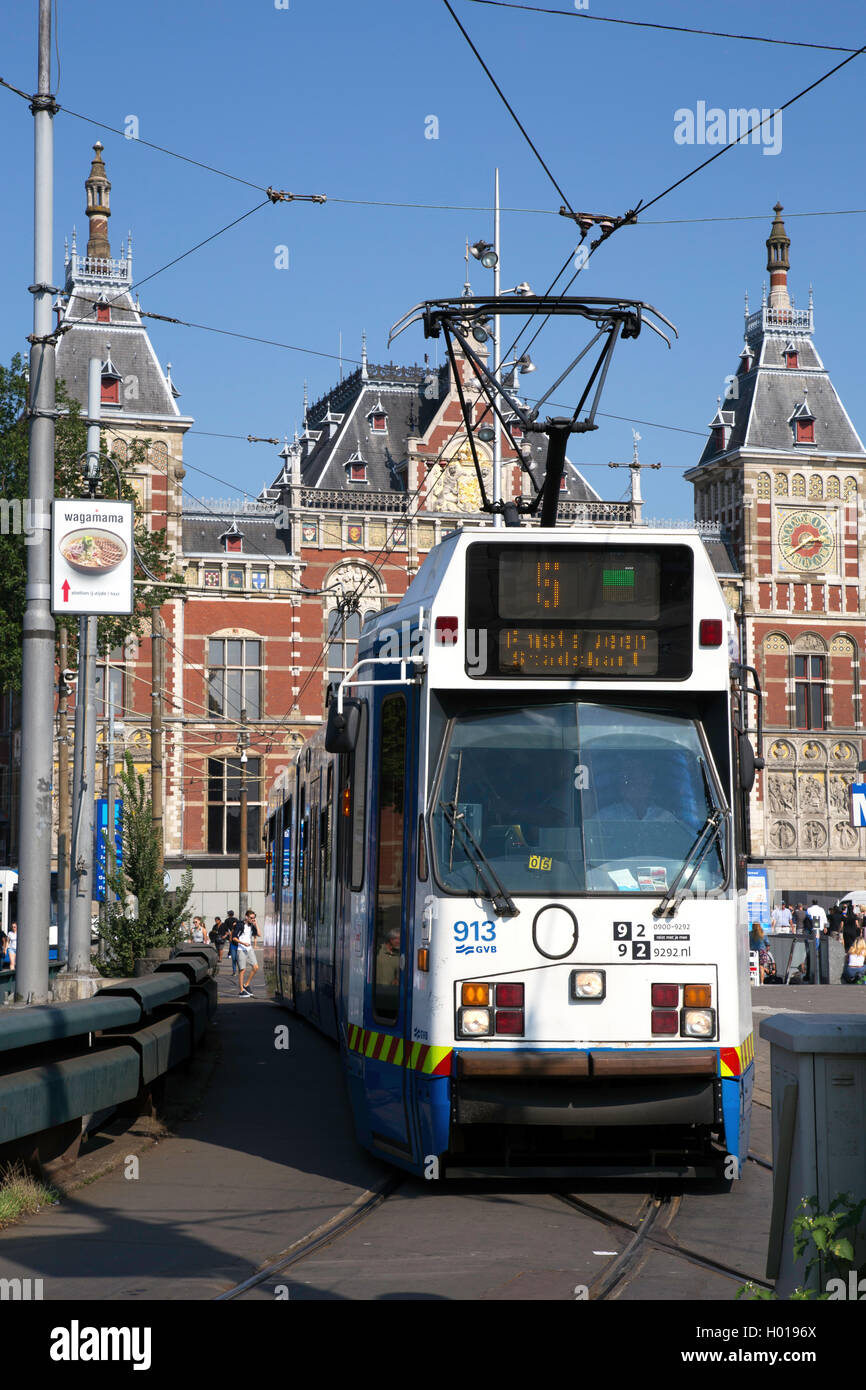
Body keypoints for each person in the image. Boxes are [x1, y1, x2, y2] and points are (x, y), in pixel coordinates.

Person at [235, 912, 259, 998]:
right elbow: (234, 938)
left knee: (256, 967)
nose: (252, 919)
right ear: (246, 917)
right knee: (242, 970)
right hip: (241, 949)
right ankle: (241, 990)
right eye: (251, 917)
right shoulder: (240, 925)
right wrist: (243, 943)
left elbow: (258, 934)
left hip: (249, 949)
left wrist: (256, 924)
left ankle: (246, 984)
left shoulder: (251, 925)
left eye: (254, 918)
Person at [224, 910, 239, 975]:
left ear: (228, 914)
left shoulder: (226, 920)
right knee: (237, 958)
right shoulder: (236, 919)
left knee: (234, 958)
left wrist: (229, 932)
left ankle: (234, 971)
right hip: (236, 938)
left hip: (231, 936)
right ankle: (236, 970)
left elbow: (225, 927)